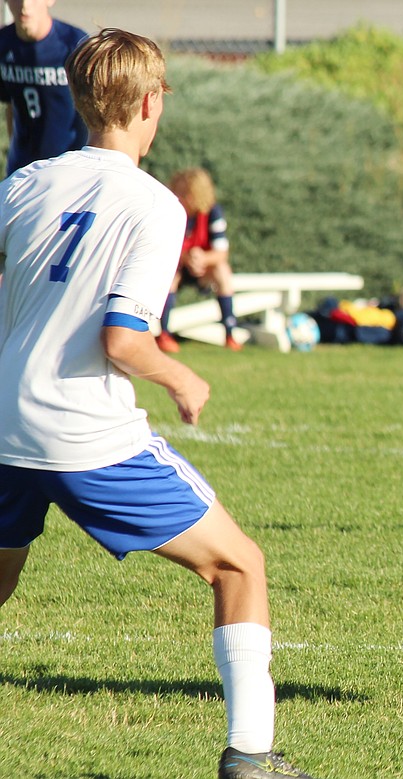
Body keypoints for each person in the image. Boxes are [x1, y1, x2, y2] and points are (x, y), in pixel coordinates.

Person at [0, 29, 318, 778]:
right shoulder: (154, 205)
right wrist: (182, 378)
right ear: (151, 103)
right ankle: (251, 755)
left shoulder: (22, 185)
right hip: (83, 435)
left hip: (6, 422)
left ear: (79, 102)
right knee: (240, 565)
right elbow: (122, 337)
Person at [156, 166, 242, 353]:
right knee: (169, 275)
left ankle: (230, 333)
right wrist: (186, 257)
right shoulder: (170, 211)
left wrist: (202, 258)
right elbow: (162, 247)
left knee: (222, 271)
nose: (178, 196)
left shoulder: (212, 212)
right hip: (178, 265)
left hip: (203, 267)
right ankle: (164, 334)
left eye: (183, 193)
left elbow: (221, 252)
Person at [0, 0, 89, 175]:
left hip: (70, 167)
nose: (25, 6)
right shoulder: (3, 44)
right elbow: (10, 104)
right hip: (23, 168)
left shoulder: (75, 44)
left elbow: (94, 109)